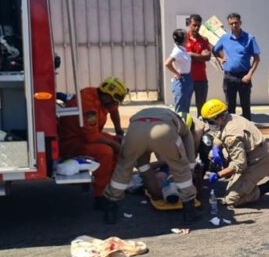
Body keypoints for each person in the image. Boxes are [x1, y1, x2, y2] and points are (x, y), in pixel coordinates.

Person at [103, 107, 205, 223]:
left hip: (136, 131)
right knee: (181, 169)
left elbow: (141, 160)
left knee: (123, 169)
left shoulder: (142, 114)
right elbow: (187, 142)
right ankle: (189, 211)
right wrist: (190, 167)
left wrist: (147, 175)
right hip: (162, 130)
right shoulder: (179, 124)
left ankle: (111, 208)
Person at [200, 98, 269, 207]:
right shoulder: (229, 118)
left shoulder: (232, 135)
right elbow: (219, 134)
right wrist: (216, 147)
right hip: (251, 156)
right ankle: (243, 183)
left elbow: (240, 164)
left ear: (220, 118)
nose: (209, 125)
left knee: (232, 199)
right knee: (213, 157)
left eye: (211, 122)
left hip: (258, 162)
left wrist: (219, 175)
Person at [58, 77, 126, 209]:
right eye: (114, 101)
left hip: (85, 136)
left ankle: (111, 186)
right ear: (107, 96)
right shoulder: (88, 104)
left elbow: (114, 110)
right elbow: (92, 137)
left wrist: (119, 131)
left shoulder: (104, 98)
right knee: (106, 152)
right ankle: (99, 195)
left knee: (118, 144)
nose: (114, 104)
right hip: (73, 142)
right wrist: (115, 145)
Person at [213, 13, 260, 119]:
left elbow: (257, 59)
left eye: (236, 23)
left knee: (245, 105)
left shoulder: (249, 38)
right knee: (230, 105)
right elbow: (214, 50)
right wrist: (220, 59)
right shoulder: (224, 38)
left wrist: (249, 74)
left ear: (240, 22)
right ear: (229, 24)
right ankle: (232, 127)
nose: (234, 25)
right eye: (231, 23)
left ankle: (247, 127)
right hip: (229, 76)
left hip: (244, 76)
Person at [184, 13, 211, 114]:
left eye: (198, 26)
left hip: (201, 79)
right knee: (185, 106)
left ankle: (201, 123)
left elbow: (207, 57)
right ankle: (185, 124)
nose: (196, 28)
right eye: (194, 25)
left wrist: (191, 55)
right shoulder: (183, 38)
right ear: (189, 24)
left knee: (202, 107)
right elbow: (184, 57)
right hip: (186, 78)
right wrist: (200, 56)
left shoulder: (204, 40)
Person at [165, 27, 193, 115]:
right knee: (181, 108)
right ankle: (180, 123)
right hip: (182, 80)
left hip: (187, 78)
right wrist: (177, 73)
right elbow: (167, 63)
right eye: (187, 36)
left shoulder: (182, 50)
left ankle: (185, 122)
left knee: (185, 107)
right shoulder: (177, 51)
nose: (188, 38)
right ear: (183, 38)